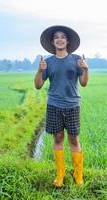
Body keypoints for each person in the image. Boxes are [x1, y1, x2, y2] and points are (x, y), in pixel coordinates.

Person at [34, 25, 89, 187]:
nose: (59, 39)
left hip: (72, 105)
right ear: (52, 42)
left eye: (63, 37)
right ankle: (60, 175)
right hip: (54, 105)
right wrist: (39, 70)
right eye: (56, 37)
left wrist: (86, 69)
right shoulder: (47, 62)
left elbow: (84, 83)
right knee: (57, 139)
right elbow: (38, 86)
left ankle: (78, 175)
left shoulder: (76, 60)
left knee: (74, 140)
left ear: (67, 41)